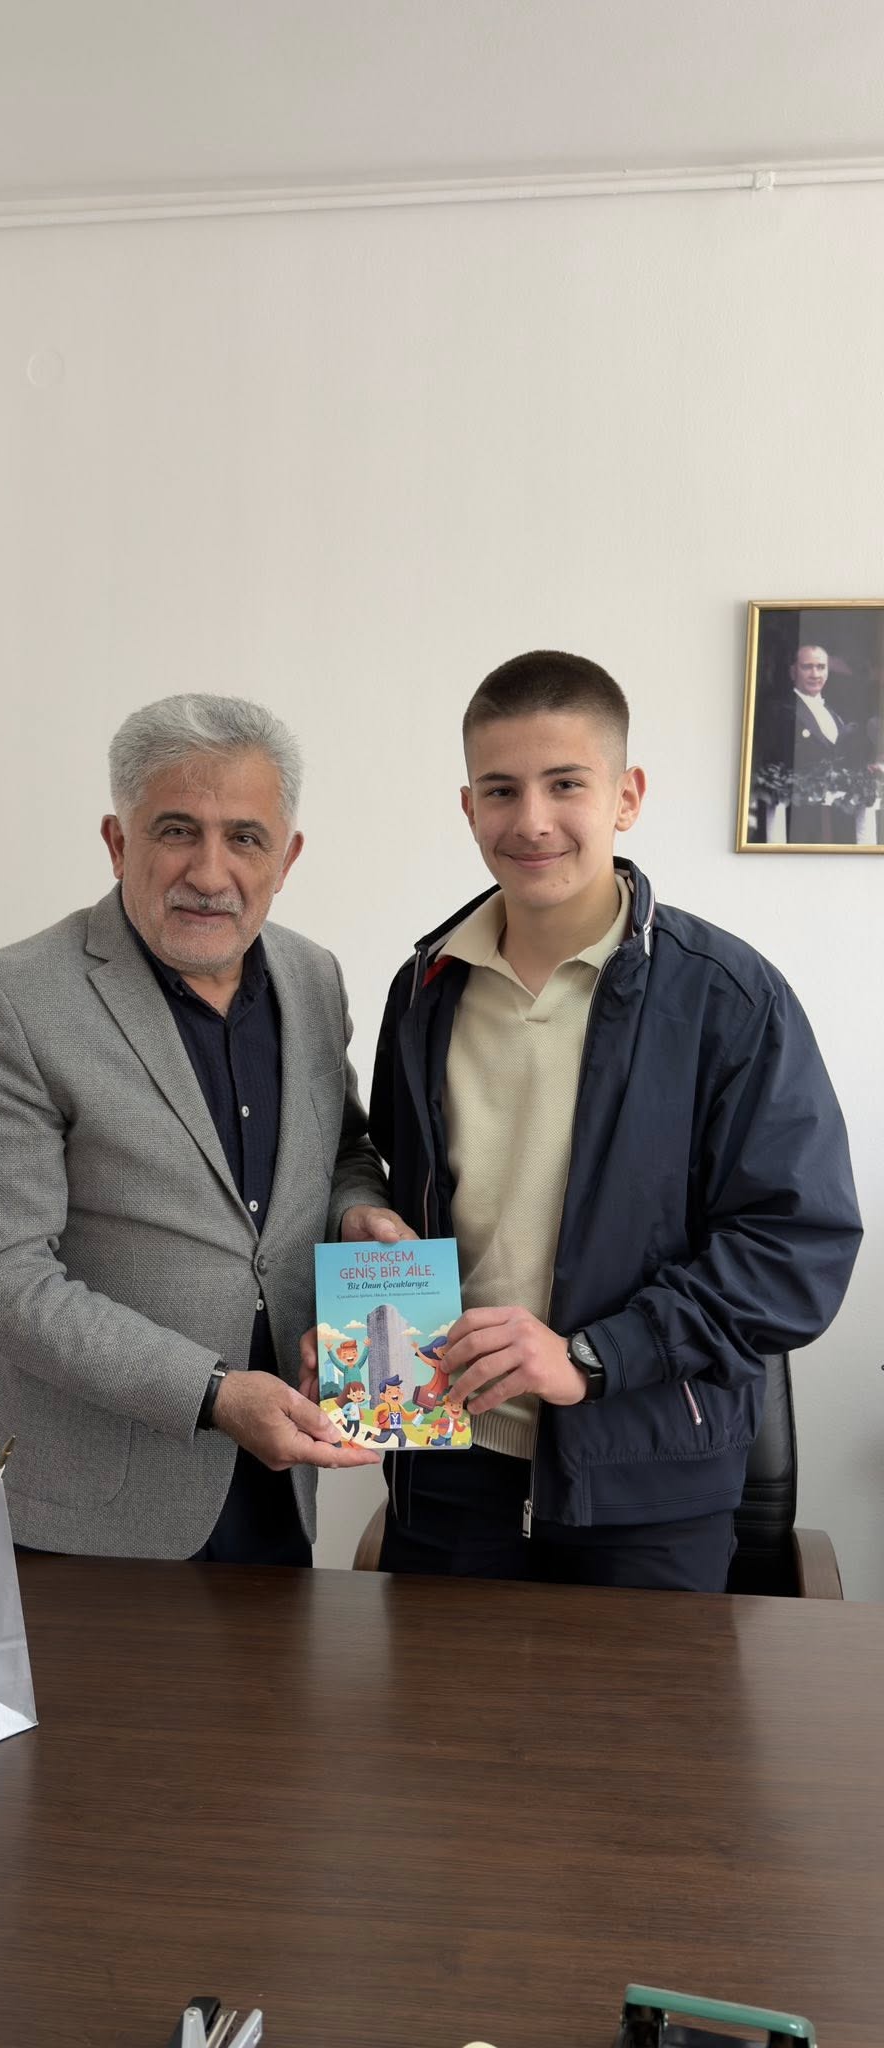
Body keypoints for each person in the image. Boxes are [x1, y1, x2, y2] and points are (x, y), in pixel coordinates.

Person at [368, 650, 861, 1591]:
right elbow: (395, 1190)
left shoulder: (729, 998)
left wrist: (591, 1359)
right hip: (445, 1474)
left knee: (641, 1703)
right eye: (501, 790)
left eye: (566, 784)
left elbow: (799, 1249)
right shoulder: (425, 987)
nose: (531, 820)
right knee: (427, 1699)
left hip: (648, 1490)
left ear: (626, 797)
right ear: (468, 807)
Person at [0, 693, 404, 1564]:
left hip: (280, 1486)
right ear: (119, 843)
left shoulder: (313, 977)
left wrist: (355, 1211)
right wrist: (213, 1392)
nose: (210, 873)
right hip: (86, 1515)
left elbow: (342, 1149)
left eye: (245, 838)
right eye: (177, 831)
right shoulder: (11, 1000)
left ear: (288, 856)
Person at [751, 643, 868, 844]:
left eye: (821, 667)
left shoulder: (835, 715)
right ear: (793, 671)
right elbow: (766, 767)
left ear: (827, 672)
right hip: (795, 823)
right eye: (807, 667)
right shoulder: (778, 711)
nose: (815, 674)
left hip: (836, 823)